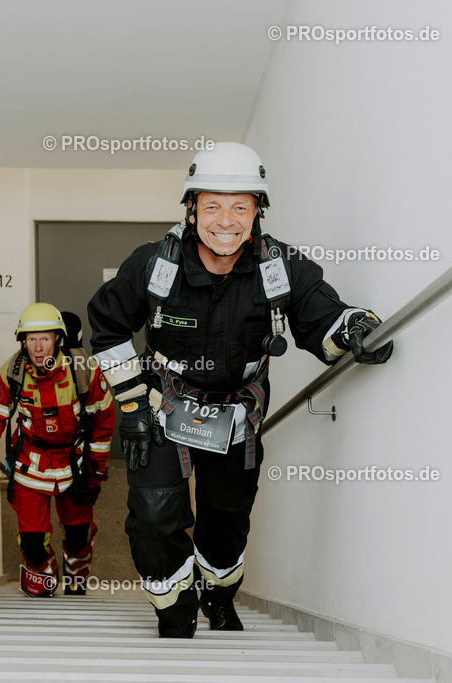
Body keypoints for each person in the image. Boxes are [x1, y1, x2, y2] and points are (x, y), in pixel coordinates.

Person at [87, 142, 392, 637]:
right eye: (212, 206)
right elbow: (106, 327)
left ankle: (218, 595)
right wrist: (131, 404)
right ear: (191, 210)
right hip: (163, 409)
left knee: (227, 521)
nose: (225, 221)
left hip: (238, 417)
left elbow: (323, 318)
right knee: (153, 517)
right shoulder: (154, 266)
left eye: (240, 207)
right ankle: (175, 609)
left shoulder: (282, 268)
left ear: (257, 212)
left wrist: (357, 327)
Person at [0, 303, 116, 596]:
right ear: (22, 341)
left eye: (45, 338)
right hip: (30, 464)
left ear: (58, 338)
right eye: (31, 339)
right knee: (32, 540)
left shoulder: (83, 370)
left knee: (78, 535)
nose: (38, 347)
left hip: (75, 463)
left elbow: (103, 420)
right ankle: (45, 578)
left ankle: (76, 577)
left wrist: (94, 470)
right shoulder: (12, 372)